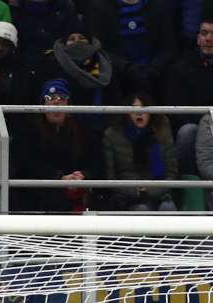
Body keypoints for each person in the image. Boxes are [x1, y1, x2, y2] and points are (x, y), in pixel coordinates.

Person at [11, 79, 103, 212]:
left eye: (61, 97)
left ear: (68, 104)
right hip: (41, 193)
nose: (56, 102)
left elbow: (97, 162)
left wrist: (83, 176)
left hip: (79, 190)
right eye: (49, 98)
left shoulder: (83, 129)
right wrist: (59, 177)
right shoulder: (28, 128)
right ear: (43, 105)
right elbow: (27, 163)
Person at [101, 91, 178, 211]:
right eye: (134, 108)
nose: (139, 113)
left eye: (143, 108)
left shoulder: (163, 133)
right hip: (127, 197)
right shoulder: (112, 136)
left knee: (169, 208)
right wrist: (133, 189)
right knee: (142, 210)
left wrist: (151, 189)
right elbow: (109, 178)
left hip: (160, 194)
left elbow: (172, 174)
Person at [37, 23, 124, 125]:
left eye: (82, 38)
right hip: (63, 126)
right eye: (71, 39)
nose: (76, 42)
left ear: (89, 41)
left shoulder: (103, 63)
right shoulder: (51, 62)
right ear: (65, 42)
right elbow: (41, 98)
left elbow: (116, 101)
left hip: (100, 129)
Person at [84, 0, 176, 95]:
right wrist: (127, 68)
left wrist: (153, 69)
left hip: (155, 82)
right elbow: (97, 48)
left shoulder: (160, 7)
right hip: (115, 82)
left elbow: (169, 49)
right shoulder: (99, 7)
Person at [165, 16, 213, 175]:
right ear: (198, 38)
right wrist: (208, 120)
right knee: (187, 132)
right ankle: (190, 184)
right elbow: (177, 113)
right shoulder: (181, 68)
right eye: (204, 33)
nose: (209, 38)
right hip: (198, 125)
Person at [9, 0, 77, 61]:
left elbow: (72, 36)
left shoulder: (65, 6)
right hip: (21, 63)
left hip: (56, 61)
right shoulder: (14, 8)